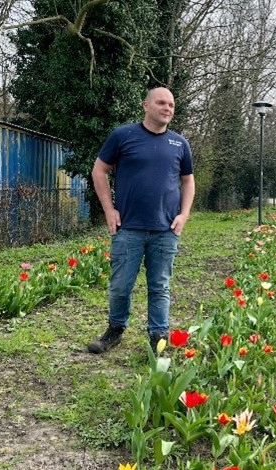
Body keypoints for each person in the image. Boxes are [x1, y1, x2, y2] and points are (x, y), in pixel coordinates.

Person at [87, 87, 195, 354]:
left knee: (160, 286)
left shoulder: (180, 144)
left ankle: (158, 336)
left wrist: (184, 215)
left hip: (165, 229)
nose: (167, 108)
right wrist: (109, 209)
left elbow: (188, 180)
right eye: (161, 103)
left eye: (171, 104)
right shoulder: (123, 135)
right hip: (128, 229)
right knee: (121, 286)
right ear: (146, 106)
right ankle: (115, 330)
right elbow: (99, 170)